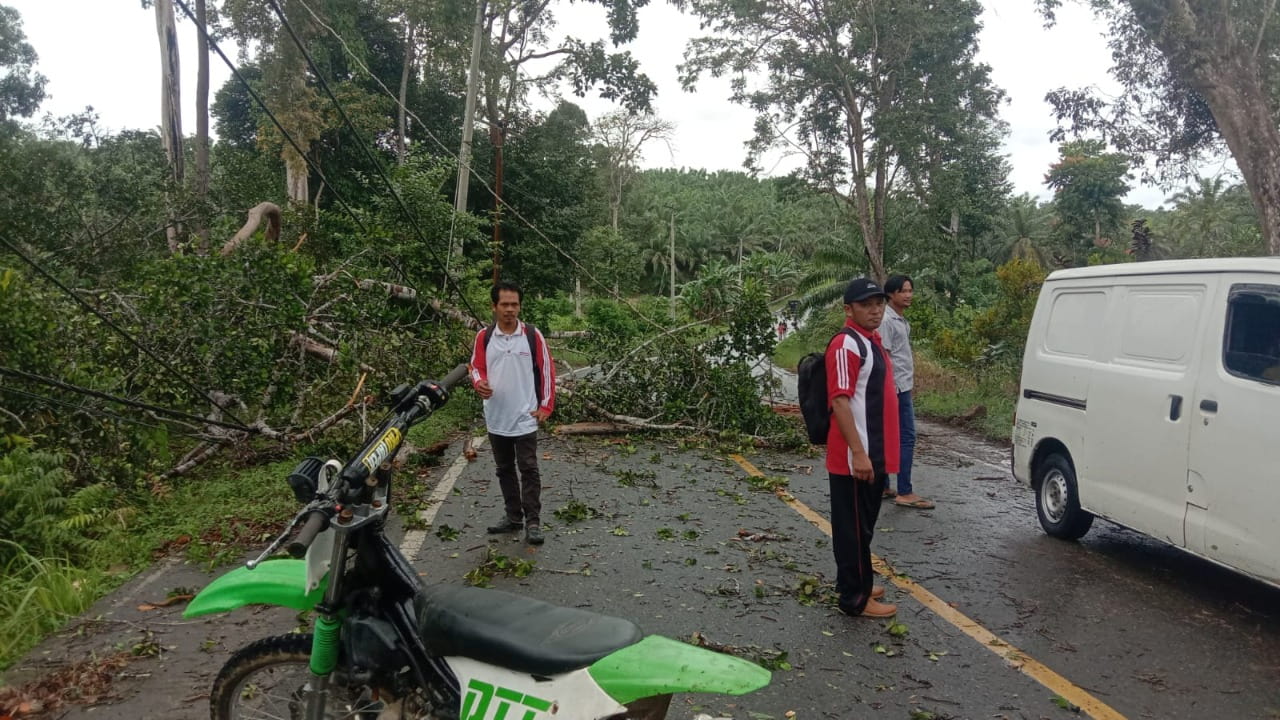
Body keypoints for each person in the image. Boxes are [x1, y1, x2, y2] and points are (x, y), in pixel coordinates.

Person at [825, 277, 900, 618]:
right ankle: (855, 599)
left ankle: (857, 582)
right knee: (852, 529)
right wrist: (857, 452)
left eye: (879, 303)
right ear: (848, 309)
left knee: (862, 526)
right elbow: (840, 401)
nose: (875, 309)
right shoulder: (846, 345)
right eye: (866, 304)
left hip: (874, 452)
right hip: (857, 456)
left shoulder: (870, 340)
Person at [469, 280, 556, 545]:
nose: (510, 310)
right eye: (504, 304)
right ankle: (513, 516)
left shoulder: (532, 335)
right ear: (494, 306)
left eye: (514, 304)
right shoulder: (484, 337)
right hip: (496, 417)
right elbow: (475, 367)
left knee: (529, 468)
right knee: (504, 468)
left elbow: (546, 371)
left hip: (525, 415)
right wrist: (479, 383)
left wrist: (545, 406)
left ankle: (533, 522)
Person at [880, 275, 934, 509]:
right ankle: (905, 491)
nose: (909, 295)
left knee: (888, 435)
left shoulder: (899, 319)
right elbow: (884, 355)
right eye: (903, 291)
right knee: (907, 436)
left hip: (901, 384)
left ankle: (884, 484)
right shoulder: (887, 320)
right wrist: (891, 388)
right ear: (891, 294)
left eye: (910, 290)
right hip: (896, 387)